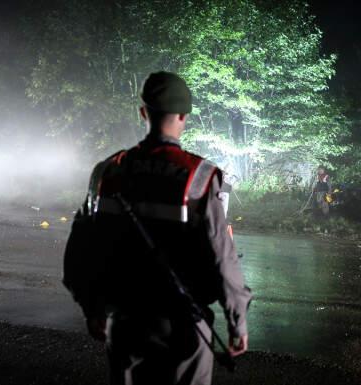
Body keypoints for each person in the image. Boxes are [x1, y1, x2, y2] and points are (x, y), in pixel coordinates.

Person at [63, 71, 251, 385]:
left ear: (143, 113)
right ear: (183, 117)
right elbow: (222, 258)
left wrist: (91, 307)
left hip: (126, 322)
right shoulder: (200, 178)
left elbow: (80, 251)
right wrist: (237, 321)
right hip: (185, 328)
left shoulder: (108, 171)